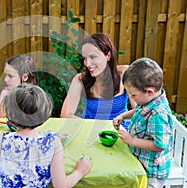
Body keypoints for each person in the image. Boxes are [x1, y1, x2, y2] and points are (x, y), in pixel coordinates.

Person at [0, 84, 92, 187]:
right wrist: (79, 171)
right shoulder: (53, 142)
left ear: (10, 116)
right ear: (44, 113)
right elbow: (61, 185)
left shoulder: (1, 140)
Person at [113, 58, 173, 188]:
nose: (131, 98)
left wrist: (132, 140)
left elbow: (160, 144)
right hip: (140, 162)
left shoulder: (158, 114)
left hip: (152, 173)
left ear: (149, 91)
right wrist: (123, 116)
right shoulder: (148, 101)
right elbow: (138, 111)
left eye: (133, 95)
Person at [60, 33, 135, 128]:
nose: (87, 64)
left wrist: (121, 119)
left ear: (108, 56)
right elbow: (66, 114)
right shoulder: (80, 79)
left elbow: (140, 109)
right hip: (89, 130)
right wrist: (92, 127)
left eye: (93, 57)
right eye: (85, 58)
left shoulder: (124, 73)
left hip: (120, 130)